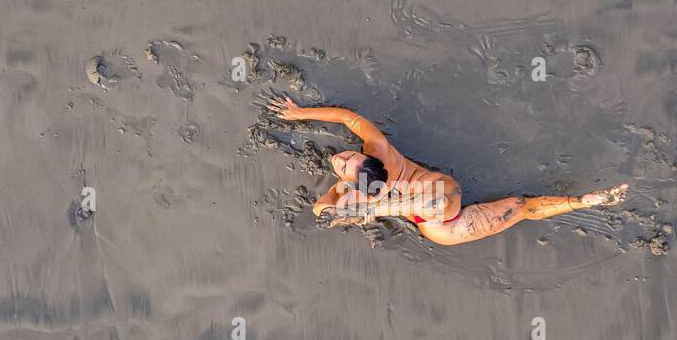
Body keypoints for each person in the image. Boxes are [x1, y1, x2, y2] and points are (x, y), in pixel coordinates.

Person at [266, 97, 629, 246]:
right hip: (439, 223)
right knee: (519, 206)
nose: (342, 157)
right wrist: (329, 210)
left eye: (346, 158)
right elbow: (320, 208)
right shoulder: (361, 174)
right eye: (345, 162)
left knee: (426, 200)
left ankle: (582, 202)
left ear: (370, 161)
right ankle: (581, 202)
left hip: (437, 196)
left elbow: (349, 120)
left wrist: (301, 113)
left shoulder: (373, 161)